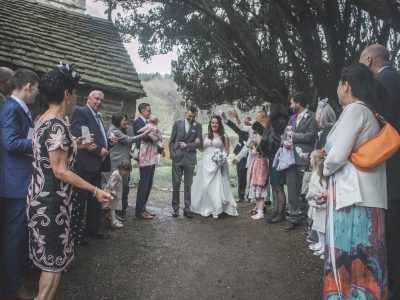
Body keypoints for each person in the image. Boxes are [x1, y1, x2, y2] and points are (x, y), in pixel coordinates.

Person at [27, 64, 112, 300]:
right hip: (51, 204)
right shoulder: (56, 124)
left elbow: (53, 150)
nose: (76, 98)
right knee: (53, 266)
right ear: (67, 94)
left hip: (41, 198)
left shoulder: (43, 119)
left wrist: (80, 145)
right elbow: (61, 171)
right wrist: (94, 189)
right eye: (76, 93)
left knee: (52, 264)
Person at [323, 63, 387, 299]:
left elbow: (338, 155)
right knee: (367, 261)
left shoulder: (354, 111)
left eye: (339, 85)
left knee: (349, 258)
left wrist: (325, 167)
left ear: (346, 85)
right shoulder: (369, 111)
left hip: (353, 198)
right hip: (367, 196)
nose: (337, 90)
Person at [360, 44, 400, 300]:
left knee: (393, 243)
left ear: (369, 59)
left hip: (391, 173)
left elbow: (376, 129)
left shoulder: (381, 83)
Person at [0, 69, 39, 300]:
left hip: (20, 179)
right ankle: (11, 287)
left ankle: (15, 279)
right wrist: (39, 142)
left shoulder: (18, 108)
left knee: (18, 235)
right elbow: (11, 143)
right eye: (36, 88)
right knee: (15, 235)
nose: (37, 93)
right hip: (15, 182)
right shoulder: (11, 108)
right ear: (28, 86)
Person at [70, 90, 113, 243]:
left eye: (101, 100)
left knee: (96, 199)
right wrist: (98, 149)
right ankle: (77, 234)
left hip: (96, 166)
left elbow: (95, 136)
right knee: (80, 200)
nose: (99, 102)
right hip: (84, 164)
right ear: (88, 98)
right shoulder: (81, 112)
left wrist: (108, 142)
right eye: (96, 98)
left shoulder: (97, 117)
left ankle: (92, 229)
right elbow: (81, 135)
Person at [190, 115, 238, 218]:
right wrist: (197, 144)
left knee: (215, 186)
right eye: (212, 123)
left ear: (219, 124)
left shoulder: (224, 135)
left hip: (218, 164)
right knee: (205, 186)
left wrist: (222, 158)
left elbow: (227, 150)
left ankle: (217, 208)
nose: (214, 125)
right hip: (206, 163)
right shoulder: (205, 135)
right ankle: (205, 207)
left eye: (216, 123)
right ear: (210, 124)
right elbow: (203, 149)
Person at [284, 92, 318, 231]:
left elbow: (311, 136)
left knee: (305, 190)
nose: (291, 105)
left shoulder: (312, 116)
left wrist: (293, 136)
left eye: (292, 102)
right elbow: (286, 133)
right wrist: (285, 141)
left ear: (298, 103)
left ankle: (308, 219)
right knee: (292, 188)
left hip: (304, 157)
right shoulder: (292, 118)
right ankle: (294, 217)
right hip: (290, 158)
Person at [107, 113, 148, 219]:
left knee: (121, 188)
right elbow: (128, 140)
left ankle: (114, 213)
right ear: (118, 121)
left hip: (121, 163)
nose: (126, 122)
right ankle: (111, 215)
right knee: (114, 188)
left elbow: (122, 146)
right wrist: (144, 134)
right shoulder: (114, 131)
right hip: (115, 163)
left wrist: (130, 153)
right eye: (124, 120)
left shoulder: (118, 130)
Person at [169, 106, 202, 218]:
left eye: (193, 117)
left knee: (188, 185)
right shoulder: (177, 123)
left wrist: (188, 145)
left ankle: (187, 209)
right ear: (185, 113)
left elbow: (199, 143)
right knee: (176, 184)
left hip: (190, 158)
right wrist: (173, 155)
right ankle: (175, 209)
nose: (191, 118)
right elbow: (172, 140)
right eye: (189, 116)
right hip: (177, 158)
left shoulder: (198, 126)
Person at [133, 103, 164, 219]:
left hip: (152, 155)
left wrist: (160, 149)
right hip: (144, 156)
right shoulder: (138, 122)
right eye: (148, 111)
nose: (150, 113)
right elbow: (140, 135)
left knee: (149, 183)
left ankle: (143, 208)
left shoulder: (149, 123)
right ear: (142, 111)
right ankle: (139, 210)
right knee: (144, 182)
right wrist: (154, 138)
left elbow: (153, 136)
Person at [222, 111, 249, 202]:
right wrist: (226, 119)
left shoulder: (255, 130)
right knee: (241, 175)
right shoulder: (241, 130)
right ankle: (241, 195)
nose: (247, 121)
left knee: (252, 176)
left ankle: (251, 196)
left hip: (252, 155)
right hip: (240, 155)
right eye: (246, 120)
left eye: (249, 120)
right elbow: (234, 126)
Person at [305, 150, 327, 259]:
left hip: (323, 205)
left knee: (323, 226)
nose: (309, 160)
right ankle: (321, 244)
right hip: (316, 203)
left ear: (315, 160)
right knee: (317, 224)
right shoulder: (315, 173)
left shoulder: (322, 175)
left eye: (310, 158)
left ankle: (325, 247)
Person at [103, 160, 132, 229]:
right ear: (122, 169)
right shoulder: (116, 174)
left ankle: (112, 217)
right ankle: (113, 222)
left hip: (114, 193)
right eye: (126, 172)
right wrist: (113, 193)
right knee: (112, 207)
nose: (126, 174)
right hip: (112, 193)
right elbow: (110, 185)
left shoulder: (118, 173)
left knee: (113, 206)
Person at [247, 145, 268, 220]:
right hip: (255, 181)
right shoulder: (255, 159)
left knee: (260, 197)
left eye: (253, 148)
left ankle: (260, 213)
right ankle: (259, 212)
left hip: (259, 182)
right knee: (257, 197)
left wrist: (260, 181)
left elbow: (263, 172)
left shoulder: (262, 160)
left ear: (259, 151)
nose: (251, 150)